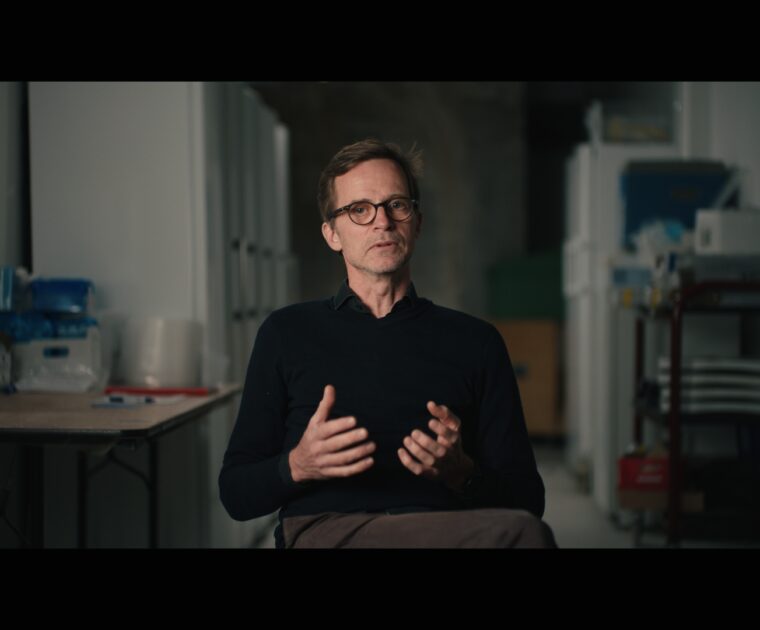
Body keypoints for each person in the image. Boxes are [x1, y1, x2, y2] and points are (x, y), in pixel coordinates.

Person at [219, 139, 556, 549]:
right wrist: (298, 465)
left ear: (417, 222)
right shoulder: (286, 333)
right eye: (359, 210)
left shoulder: (476, 342)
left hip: (443, 532)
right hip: (328, 531)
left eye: (397, 205)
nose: (382, 222)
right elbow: (235, 493)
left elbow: (528, 500)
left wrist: (462, 473)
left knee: (526, 533)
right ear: (332, 234)